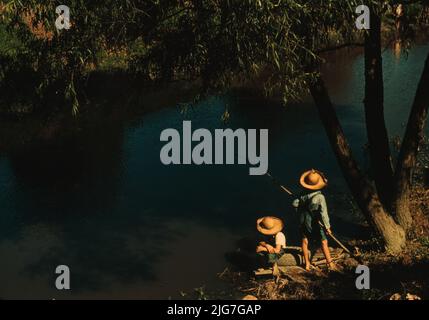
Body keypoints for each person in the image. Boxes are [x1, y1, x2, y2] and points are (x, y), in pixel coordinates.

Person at [292, 169, 338, 272]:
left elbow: (294, 204)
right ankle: (330, 264)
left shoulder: (302, 194)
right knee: (324, 241)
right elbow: (323, 213)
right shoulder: (320, 197)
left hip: (303, 220)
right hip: (314, 221)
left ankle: (307, 264)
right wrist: (327, 227)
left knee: (304, 241)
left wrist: (300, 211)